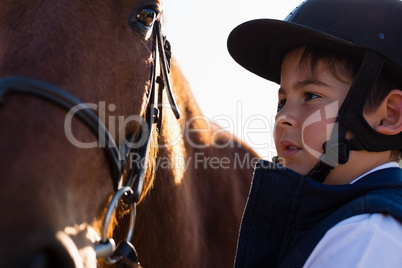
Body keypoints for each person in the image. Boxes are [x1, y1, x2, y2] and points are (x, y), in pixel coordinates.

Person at [227, 0, 402, 267]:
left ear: (389, 115)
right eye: (282, 100)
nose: (282, 117)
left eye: (311, 95)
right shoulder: (341, 225)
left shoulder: (367, 240)